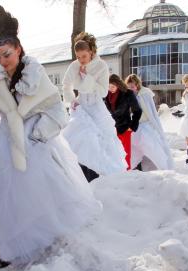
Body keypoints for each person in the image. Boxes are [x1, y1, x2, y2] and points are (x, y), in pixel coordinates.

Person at [0, 6, 101, 269]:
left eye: (7, 54)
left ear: (19, 49)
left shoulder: (35, 72)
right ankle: (10, 246)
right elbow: (3, 108)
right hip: (5, 142)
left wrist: (37, 134)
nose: (3, 61)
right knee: (5, 197)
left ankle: (41, 237)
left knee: (38, 192)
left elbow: (55, 107)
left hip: (35, 140)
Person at [61, 32, 127, 181]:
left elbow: (103, 92)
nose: (81, 60)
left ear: (90, 51)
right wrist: (72, 100)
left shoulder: (101, 66)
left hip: (97, 108)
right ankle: (81, 179)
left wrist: (87, 78)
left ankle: (105, 179)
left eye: (84, 56)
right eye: (78, 57)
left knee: (101, 142)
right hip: (81, 107)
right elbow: (66, 85)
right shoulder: (74, 66)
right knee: (79, 140)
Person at [124, 74, 174, 171]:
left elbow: (151, 113)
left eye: (132, 87)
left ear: (137, 85)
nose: (131, 89)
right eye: (129, 87)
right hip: (136, 127)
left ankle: (164, 169)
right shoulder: (129, 96)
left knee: (152, 148)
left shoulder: (144, 95)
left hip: (146, 126)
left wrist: (155, 126)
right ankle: (128, 169)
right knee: (134, 150)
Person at [104, 74, 142, 169]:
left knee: (125, 155)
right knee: (113, 155)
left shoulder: (127, 93)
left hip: (124, 129)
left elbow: (137, 111)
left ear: (118, 84)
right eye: (108, 87)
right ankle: (116, 177)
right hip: (110, 129)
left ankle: (127, 177)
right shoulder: (105, 95)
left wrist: (132, 126)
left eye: (112, 86)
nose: (110, 89)